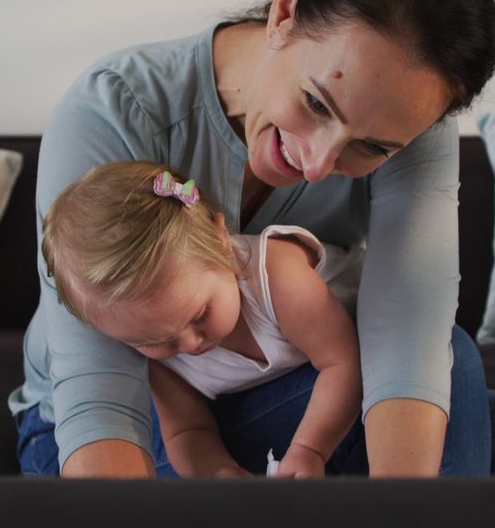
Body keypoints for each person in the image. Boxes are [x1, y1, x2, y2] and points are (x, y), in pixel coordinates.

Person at [8, 0, 495, 478]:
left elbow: (409, 331)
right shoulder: (116, 106)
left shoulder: (412, 122)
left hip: (285, 384)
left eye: (371, 148)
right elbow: (101, 389)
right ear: (286, 11)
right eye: (317, 102)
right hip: (132, 409)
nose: (319, 164)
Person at [41, 161, 364, 478]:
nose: (190, 344)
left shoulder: (276, 277)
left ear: (222, 243)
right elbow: (188, 430)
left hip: (360, 340)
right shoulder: (159, 358)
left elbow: (342, 363)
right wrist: (218, 473)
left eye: (199, 315)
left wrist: (310, 449)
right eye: (154, 341)